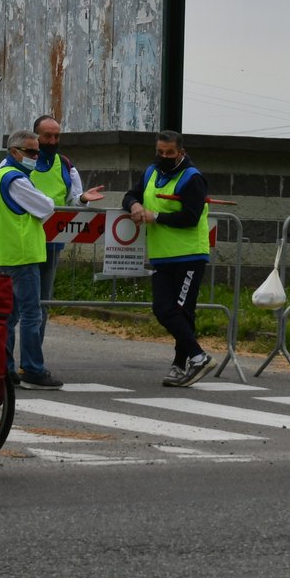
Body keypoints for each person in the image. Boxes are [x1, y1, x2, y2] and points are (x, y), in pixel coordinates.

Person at [122, 130, 216, 387]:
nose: (164, 157)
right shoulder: (151, 172)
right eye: (160, 152)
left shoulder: (192, 178)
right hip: (163, 256)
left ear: (181, 152)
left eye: (169, 153)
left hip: (189, 255)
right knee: (163, 309)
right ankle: (191, 359)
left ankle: (185, 362)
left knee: (181, 311)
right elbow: (130, 194)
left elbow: (191, 217)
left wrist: (157, 217)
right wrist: (135, 206)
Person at [0, 128, 64, 390]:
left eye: (36, 151)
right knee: (32, 315)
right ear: (15, 152)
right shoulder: (17, 179)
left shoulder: (1, 174)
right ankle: (32, 369)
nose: (35, 155)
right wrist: (45, 202)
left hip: (2, 254)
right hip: (21, 255)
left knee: (8, 316)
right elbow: (46, 206)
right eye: (31, 151)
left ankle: (5, 368)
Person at [30, 114, 105, 339]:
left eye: (56, 136)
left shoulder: (65, 164)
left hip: (52, 245)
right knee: (18, 304)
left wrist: (82, 199)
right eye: (47, 136)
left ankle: (33, 362)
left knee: (43, 303)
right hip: (22, 243)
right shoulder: (22, 161)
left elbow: (73, 201)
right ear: (37, 137)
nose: (53, 141)